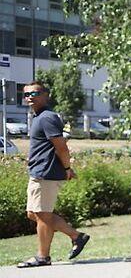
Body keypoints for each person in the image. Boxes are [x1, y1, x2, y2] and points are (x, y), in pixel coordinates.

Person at [17, 81, 89, 267]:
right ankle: (77, 236)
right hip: (39, 171)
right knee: (33, 213)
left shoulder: (47, 117)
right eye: (26, 94)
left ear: (45, 95)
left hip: (46, 173)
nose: (29, 97)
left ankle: (43, 256)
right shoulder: (40, 117)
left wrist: (67, 169)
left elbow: (61, 147)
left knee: (42, 214)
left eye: (34, 93)